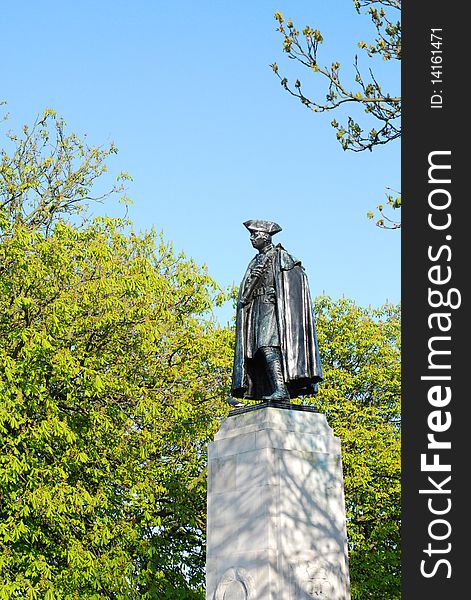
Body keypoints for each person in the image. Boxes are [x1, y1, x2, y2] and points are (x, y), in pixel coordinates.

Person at [231, 219, 323, 402]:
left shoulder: (282, 256)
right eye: (251, 235)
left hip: (273, 307)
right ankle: (274, 388)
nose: (251, 238)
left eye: (255, 234)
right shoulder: (255, 261)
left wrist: (279, 298)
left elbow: (295, 284)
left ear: (266, 237)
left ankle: (281, 389)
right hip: (256, 308)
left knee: (267, 346)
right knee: (256, 351)